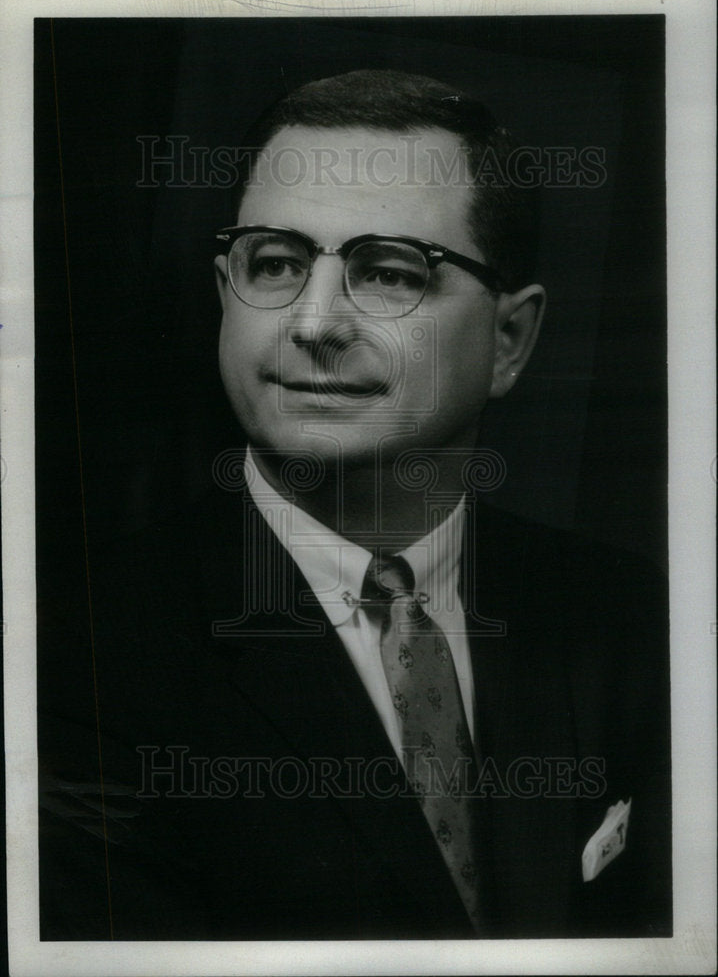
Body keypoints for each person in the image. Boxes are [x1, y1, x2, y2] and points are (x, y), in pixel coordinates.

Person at [38, 69, 671, 940]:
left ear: (510, 340)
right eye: (277, 263)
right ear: (226, 292)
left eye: (387, 273)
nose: (314, 322)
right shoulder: (75, 652)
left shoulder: (636, 620)